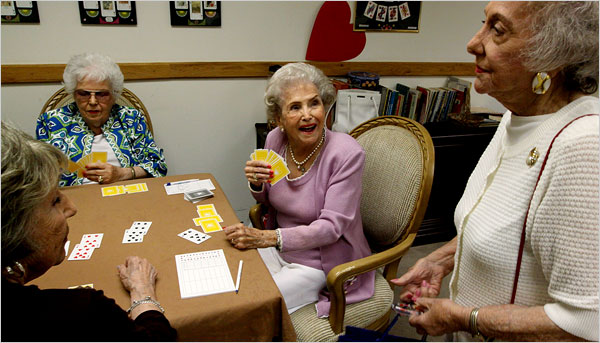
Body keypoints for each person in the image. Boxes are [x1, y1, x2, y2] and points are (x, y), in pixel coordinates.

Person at [392, 2, 598, 341]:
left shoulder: (583, 147)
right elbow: (508, 227)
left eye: (498, 30)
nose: (473, 43)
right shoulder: (514, 117)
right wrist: (442, 260)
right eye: (483, 24)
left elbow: (587, 322)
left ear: (553, 56)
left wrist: (463, 318)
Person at [1, 122, 176, 341]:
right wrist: (143, 294)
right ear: (16, 225)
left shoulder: (129, 118)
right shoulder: (83, 312)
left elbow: (157, 165)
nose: (71, 208)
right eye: (55, 200)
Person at [224, 62, 374, 318]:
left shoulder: (346, 153)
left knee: (249, 305)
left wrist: (268, 238)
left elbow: (331, 228)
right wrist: (258, 184)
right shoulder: (275, 140)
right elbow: (270, 201)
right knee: (229, 284)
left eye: (314, 103)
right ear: (279, 119)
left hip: (320, 262)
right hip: (277, 248)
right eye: (295, 107)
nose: (308, 114)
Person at [36, 52, 167, 187]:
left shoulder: (131, 119)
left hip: (126, 194)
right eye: (84, 93)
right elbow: (40, 175)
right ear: (74, 94)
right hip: (74, 200)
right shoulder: (51, 122)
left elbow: (157, 165)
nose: (92, 101)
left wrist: (122, 174)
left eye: (101, 94)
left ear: (114, 94)